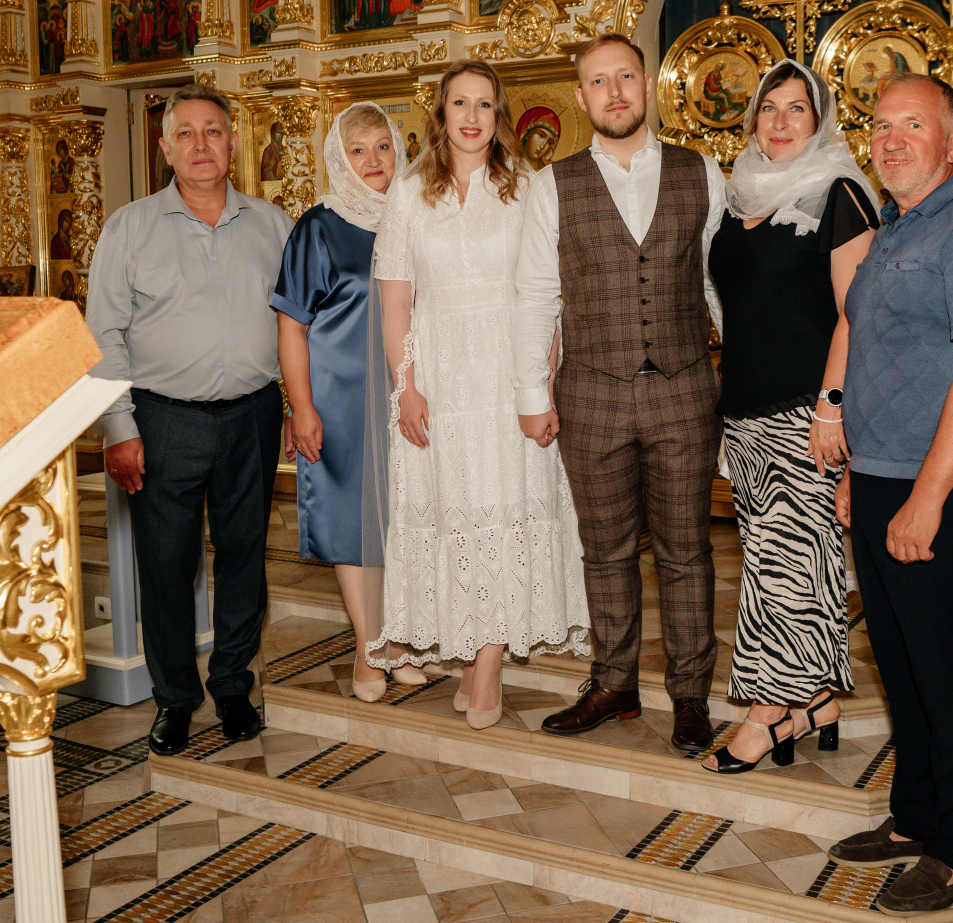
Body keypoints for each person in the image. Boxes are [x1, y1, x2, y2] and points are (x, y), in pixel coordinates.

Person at [827, 73, 953, 915]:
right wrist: (857, 471)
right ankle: (913, 819)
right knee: (902, 668)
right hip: (883, 479)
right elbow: (875, 354)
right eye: (880, 125)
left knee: (944, 674)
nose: (891, 138)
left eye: (913, 125)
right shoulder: (896, 228)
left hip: (944, 490)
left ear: (952, 143)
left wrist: (924, 501)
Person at [514, 33, 727, 752]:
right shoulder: (553, 184)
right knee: (602, 551)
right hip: (591, 394)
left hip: (683, 389)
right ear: (580, 97)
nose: (613, 92)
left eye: (625, 77)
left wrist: (750, 380)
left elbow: (716, 286)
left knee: (685, 550)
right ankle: (613, 684)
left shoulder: (703, 174)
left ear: (648, 85)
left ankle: (691, 694)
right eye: (598, 82)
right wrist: (531, 395)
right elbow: (535, 297)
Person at [371, 61, 589, 730]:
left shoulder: (528, 188)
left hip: (508, 372)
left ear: (501, 116)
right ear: (440, 113)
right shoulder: (409, 191)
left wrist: (543, 379)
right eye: (459, 103)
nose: (471, 117)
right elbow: (396, 300)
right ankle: (472, 653)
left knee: (505, 508)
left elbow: (544, 293)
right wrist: (404, 388)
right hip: (436, 373)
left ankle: (485, 664)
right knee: (456, 512)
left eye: (485, 105)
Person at [86, 83, 294, 756]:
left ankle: (231, 685)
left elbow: (297, 327)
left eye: (213, 132)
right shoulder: (129, 227)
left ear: (234, 144)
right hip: (162, 419)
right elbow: (103, 336)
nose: (201, 145)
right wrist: (119, 428)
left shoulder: (272, 224)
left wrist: (292, 404)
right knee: (166, 567)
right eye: (186, 134)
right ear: (164, 147)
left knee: (243, 561)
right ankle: (174, 698)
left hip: (254, 417)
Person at [701, 59, 879, 774]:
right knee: (792, 562)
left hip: (807, 410)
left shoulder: (839, 194)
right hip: (742, 408)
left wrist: (833, 410)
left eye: (795, 109)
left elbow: (855, 315)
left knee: (782, 569)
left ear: (821, 120)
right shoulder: (734, 196)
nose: (779, 121)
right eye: (767, 108)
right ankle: (816, 702)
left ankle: (765, 714)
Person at [271, 102, 427, 702]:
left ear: (399, 150)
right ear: (339, 156)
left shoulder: (416, 216)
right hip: (340, 398)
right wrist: (302, 406)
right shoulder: (319, 225)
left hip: (408, 394)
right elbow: (292, 326)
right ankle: (368, 649)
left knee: (404, 520)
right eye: (357, 149)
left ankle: (400, 639)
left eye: (382, 146)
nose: (372, 161)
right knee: (352, 521)